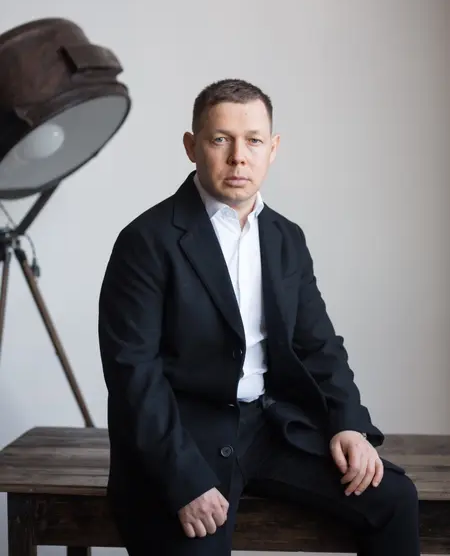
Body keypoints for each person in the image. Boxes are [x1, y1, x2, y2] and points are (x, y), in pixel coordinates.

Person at [98, 78, 420, 556]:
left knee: (393, 498)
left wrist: (348, 423)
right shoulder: (145, 241)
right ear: (191, 147)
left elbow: (319, 344)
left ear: (273, 149)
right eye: (220, 139)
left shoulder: (285, 237)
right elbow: (133, 374)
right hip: (184, 439)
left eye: (253, 141)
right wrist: (183, 479)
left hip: (269, 427)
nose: (238, 158)